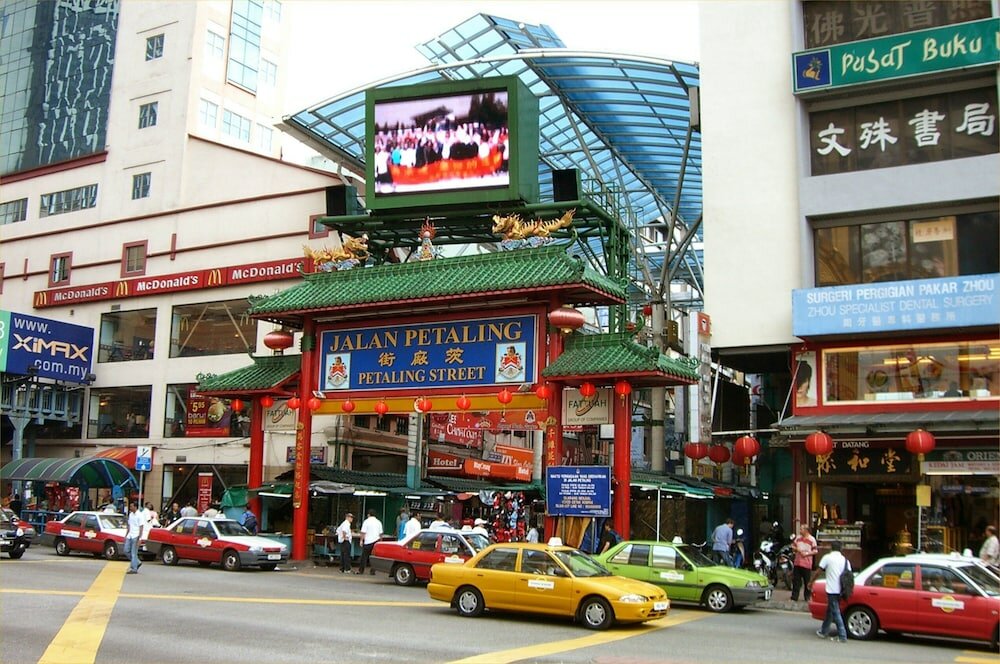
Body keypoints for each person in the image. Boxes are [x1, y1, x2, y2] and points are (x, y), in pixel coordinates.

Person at [811, 540, 848, 643]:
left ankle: (842, 635)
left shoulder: (827, 558)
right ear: (841, 549)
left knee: (835, 611)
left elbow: (818, 571)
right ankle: (824, 631)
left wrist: (811, 582)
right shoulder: (845, 560)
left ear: (831, 548)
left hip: (831, 588)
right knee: (830, 610)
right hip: (841, 589)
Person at [791, 525, 819, 601]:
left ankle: (807, 597)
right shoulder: (798, 538)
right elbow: (793, 546)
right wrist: (797, 549)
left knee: (807, 581)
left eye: (801, 529)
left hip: (807, 564)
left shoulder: (812, 539)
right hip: (797, 562)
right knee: (796, 581)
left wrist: (806, 554)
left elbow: (815, 551)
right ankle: (794, 597)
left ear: (806, 530)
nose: (800, 531)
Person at [358, 509, 383, 575]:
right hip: (376, 542)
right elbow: (381, 534)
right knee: (374, 557)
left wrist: (361, 540)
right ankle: (373, 571)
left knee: (364, 557)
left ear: (369, 514)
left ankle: (361, 570)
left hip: (368, 542)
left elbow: (363, 532)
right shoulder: (379, 522)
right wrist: (380, 542)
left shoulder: (366, 522)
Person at [124, 501, 144, 574]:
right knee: (126, 550)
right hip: (130, 535)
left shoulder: (140, 515)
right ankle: (137, 562)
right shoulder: (131, 514)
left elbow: (141, 527)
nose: (130, 508)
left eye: (131, 506)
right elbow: (129, 525)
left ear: (135, 507)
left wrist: (140, 538)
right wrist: (126, 535)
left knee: (133, 552)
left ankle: (134, 568)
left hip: (136, 535)